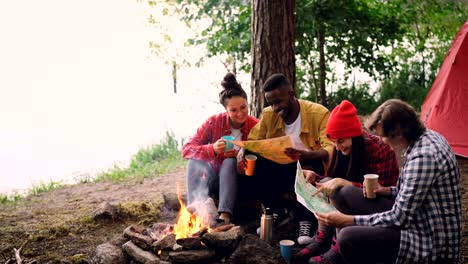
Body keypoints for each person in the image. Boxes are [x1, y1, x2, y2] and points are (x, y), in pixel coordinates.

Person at [314, 99, 462, 264]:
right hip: (420, 218)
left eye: (383, 135)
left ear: (398, 132)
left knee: (347, 236)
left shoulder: (423, 157)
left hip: (429, 241)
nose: (381, 140)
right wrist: (386, 190)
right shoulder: (427, 137)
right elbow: (412, 194)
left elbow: (399, 218)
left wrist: (348, 220)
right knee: (345, 193)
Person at [298, 100, 399, 263]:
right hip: (353, 203)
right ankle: (323, 238)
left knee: (341, 190)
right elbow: (331, 179)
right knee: (327, 183)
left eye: (341, 141)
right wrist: (313, 177)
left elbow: (385, 192)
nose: (338, 147)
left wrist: (349, 184)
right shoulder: (340, 151)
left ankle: (337, 248)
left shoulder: (380, 149)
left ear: (354, 135)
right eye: (334, 142)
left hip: (382, 209)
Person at [241, 73, 334, 236]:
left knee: (309, 166)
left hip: (312, 168)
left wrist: (304, 155)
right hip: (284, 169)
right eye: (271, 104)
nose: (275, 108)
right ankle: (275, 209)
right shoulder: (269, 115)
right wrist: (243, 151)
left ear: (291, 95)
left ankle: (306, 219)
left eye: (278, 102)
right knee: (250, 157)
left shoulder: (318, 114)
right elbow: (253, 141)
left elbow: (331, 149)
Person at [182, 73, 258, 225]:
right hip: (214, 179)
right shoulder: (213, 122)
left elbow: (266, 153)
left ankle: (225, 216)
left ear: (248, 104)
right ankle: (196, 207)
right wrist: (213, 149)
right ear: (226, 110)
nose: (240, 113)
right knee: (194, 162)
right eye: (233, 110)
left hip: (242, 181)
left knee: (230, 161)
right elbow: (187, 150)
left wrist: (242, 156)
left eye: (243, 107)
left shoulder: (256, 126)